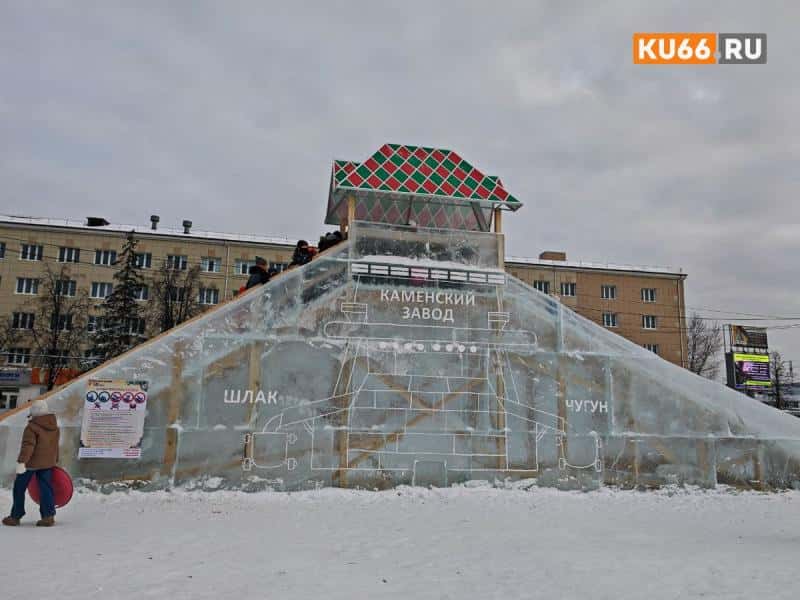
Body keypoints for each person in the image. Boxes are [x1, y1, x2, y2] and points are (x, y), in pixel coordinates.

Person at [3, 399, 60, 527]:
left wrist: (21, 462)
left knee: (19, 488)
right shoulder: (54, 426)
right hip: (47, 463)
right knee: (46, 488)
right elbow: (55, 446)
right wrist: (55, 460)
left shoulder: (32, 427)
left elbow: (28, 446)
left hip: (31, 464)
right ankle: (48, 516)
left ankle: (16, 516)